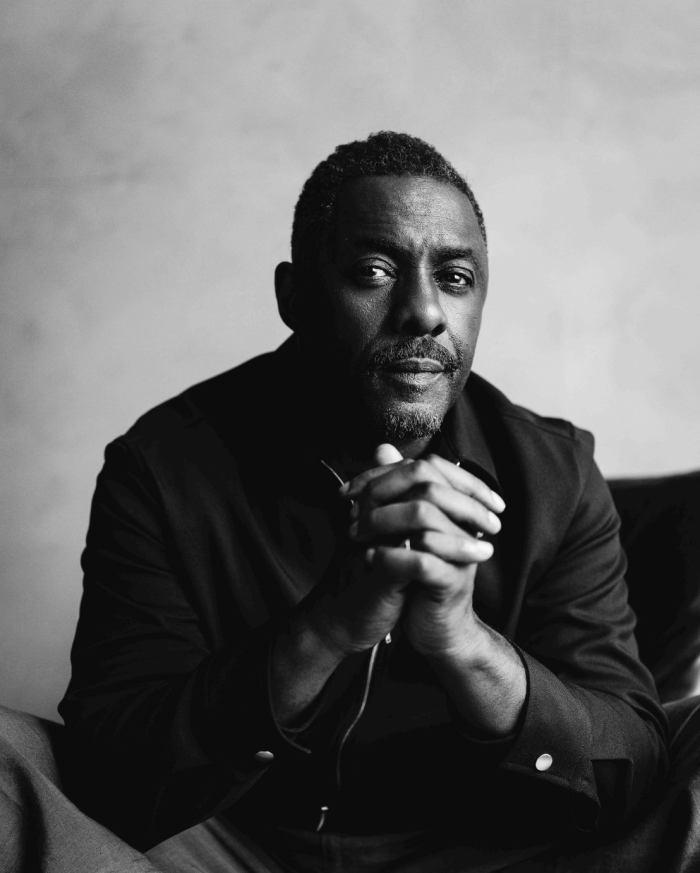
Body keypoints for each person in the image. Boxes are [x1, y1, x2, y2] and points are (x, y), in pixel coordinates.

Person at [56, 132, 673, 872]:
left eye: (455, 278)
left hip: (484, 850)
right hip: (230, 841)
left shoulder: (557, 472)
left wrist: (463, 641)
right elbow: (108, 767)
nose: (424, 312)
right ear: (294, 297)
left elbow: (632, 761)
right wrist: (330, 624)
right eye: (374, 272)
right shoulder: (161, 467)